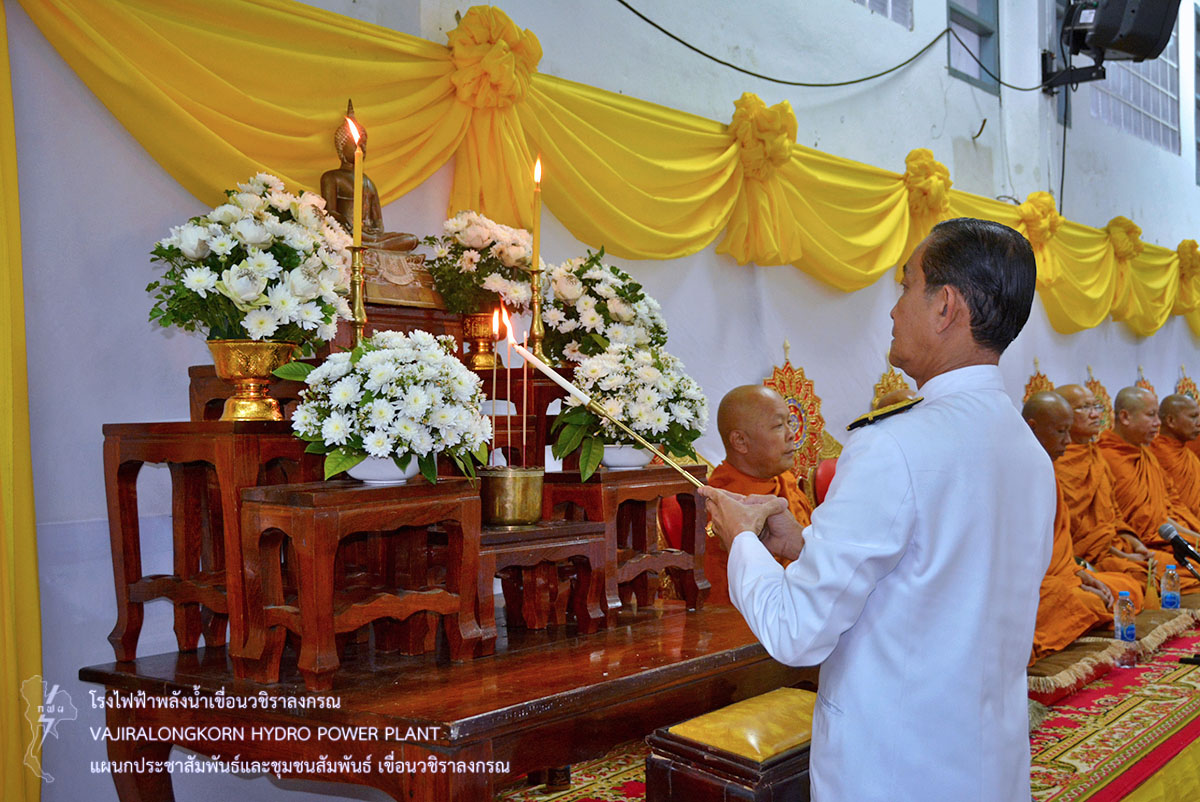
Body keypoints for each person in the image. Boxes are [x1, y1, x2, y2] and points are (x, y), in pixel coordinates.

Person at [702, 218, 1054, 801]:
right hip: (989, 762)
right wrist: (804, 545)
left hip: (895, 767)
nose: (893, 310)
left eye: (906, 286)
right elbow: (933, 577)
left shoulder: (892, 443)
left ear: (945, 306)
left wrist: (740, 538)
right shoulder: (1027, 449)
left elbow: (796, 632)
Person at [1023, 392, 1142, 663]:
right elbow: (1023, 558)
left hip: (1067, 574)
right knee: (1075, 601)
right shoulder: (1021, 474)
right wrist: (1077, 579)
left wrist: (1080, 575)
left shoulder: (1051, 469)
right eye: (1060, 431)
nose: (1067, 440)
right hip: (1037, 585)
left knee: (1127, 587)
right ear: (1032, 427)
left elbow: (1061, 547)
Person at [1055, 384, 1199, 592]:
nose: (1095, 414)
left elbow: (1117, 517)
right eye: (1085, 408)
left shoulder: (1099, 458)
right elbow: (1076, 535)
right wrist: (1128, 553)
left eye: (1096, 406)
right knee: (1143, 580)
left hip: (1131, 546)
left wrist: (1135, 545)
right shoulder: (1078, 461)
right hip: (1091, 558)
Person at [704, 385, 812, 605]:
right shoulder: (724, 504)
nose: (792, 435)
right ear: (740, 441)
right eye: (778, 426)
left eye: (789, 423)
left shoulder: (785, 481)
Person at [1095, 387, 1200, 551]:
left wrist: (1194, 538)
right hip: (1135, 547)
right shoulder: (1103, 459)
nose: (1158, 423)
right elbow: (1108, 522)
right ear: (1125, 417)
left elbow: (1165, 513)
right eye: (1151, 415)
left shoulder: (1148, 457)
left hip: (1165, 538)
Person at [320, 102, 419, 254]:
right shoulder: (332, 177)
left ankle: (372, 247)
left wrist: (374, 232)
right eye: (356, 144)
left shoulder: (368, 182)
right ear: (341, 147)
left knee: (411, 239)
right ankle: (369, 248)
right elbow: (330, 214)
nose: (362, 148)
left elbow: (377, 221)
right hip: (347, 234)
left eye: (364, 144)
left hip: (370, 237)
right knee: (345, 240)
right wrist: (348, 226)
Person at [1149, 393, 1200, 515]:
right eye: (1193, 417)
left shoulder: (1189, 455)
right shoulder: (1156, 454)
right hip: (1178, 523)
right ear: (1170, 421)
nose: (1198, 423)